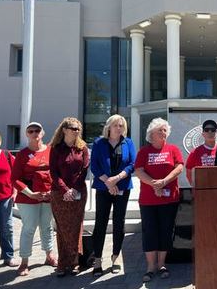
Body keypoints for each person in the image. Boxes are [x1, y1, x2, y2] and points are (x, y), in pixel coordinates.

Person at [134, 118, 183, 283]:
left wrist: (163, 182)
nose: (163, 133)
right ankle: (150, 267)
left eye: (165, 130)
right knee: (150, 232)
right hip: (148, 200)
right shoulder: (143, 152)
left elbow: (179, 167)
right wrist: (154, 185)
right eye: (160, 130)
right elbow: (139, 171)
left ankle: (161, 264)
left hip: (169, 199)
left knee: (166, 231)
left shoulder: (173, 149)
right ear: (151, 134)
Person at [90, 115, 136, 277]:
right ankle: (97, 260)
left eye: (122, 125)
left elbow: (132, 164)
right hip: (103, 188)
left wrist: (116, 179)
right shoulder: (99, 143)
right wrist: (108, 182)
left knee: (119, 223)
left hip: (122, 186)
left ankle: (115, 257)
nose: (119, 128)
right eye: (116, 125)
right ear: (109, 127)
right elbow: (94, 165)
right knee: (100, 222)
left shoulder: (128, 142)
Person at [10, 122, 57, 276]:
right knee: (29, 228)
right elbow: (15, 179)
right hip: (28, 198)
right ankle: (24, 262)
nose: (34, 133)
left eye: (37, 130)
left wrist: (52, 191)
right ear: (27, 134)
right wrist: (30, 193)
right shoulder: (22, 154)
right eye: (31, 131)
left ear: (42, 133)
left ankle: (49, 255)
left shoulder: (51, 151)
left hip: (47, 196)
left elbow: (56, 173)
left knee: (47, 226)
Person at [49, 117, 89, 277]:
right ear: (64, 130)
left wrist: (73, 189)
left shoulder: (83, 147)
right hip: (59, 194)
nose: (76, 131)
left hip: (79, 191)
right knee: (63, 228)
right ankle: (62, 263)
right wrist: (65, 190)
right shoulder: (56, 148)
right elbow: (53, 172)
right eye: (73, 128)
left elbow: (85, 169)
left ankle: (74, 262)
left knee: (76, 227)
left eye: (78, 128)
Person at [0, 131, 18, 268]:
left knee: (7, 227)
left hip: (5, 197)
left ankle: (8, 256)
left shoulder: (6, 155)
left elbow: (16, 174)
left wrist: (15, 191)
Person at [185, 119, 217, 184]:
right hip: (202, 188)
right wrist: (195, 186)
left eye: (213, 130)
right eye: (206, 130)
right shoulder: (195, 152)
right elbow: (189, 170)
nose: (210, 132)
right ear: (203, 134)